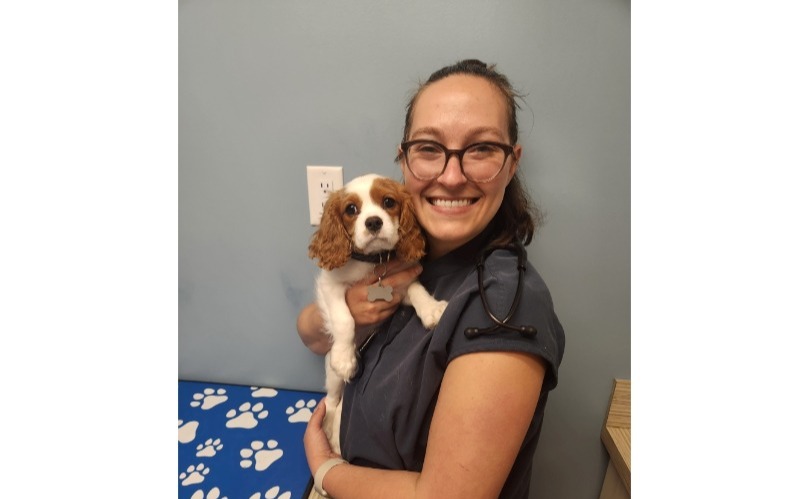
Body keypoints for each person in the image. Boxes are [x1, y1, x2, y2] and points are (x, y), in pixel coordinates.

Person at [297, 59, 565, 499]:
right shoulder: (408, 255)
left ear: (512, 163)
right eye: (429, 147)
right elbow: (311, 333)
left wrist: (325, 471)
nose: (452, 175)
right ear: (404, 159)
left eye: (480, 148)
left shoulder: (504, 309)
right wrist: (349, 313)